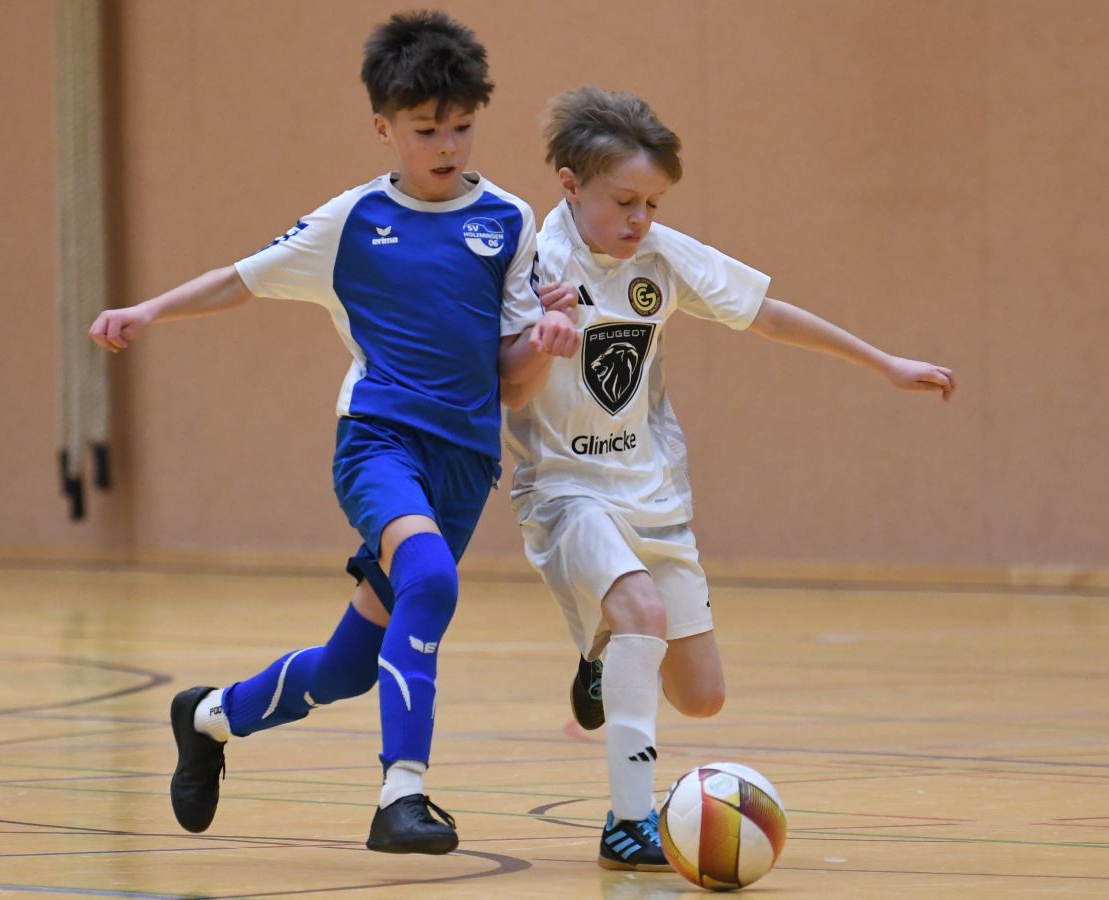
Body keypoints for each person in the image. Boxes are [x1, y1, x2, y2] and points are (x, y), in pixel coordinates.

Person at [88, 11, 579, 855]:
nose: (447, 145)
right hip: (379, 443)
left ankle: (206, 717)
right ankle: (402, 797)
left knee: (350, 667)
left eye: (461, 127)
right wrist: (150, 309)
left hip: (464, 463)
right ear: (384, 127)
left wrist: (543, 343)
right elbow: (239, 279)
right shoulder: (351, 221)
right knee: (429, 577)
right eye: (426, 130)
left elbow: (509, 377)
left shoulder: (507, 221)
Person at [502, 87, 956, 870]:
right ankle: (625, 823)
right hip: (566, 489)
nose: (641, 217)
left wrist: (883, 362)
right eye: (624, 200)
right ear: (571, 184)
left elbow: (768, 312)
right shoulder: (530, 262)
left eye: (653, 201)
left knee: (701, 696)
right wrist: (544, 339)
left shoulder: (661, 257)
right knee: (640, 608)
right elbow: (510, 390)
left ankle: (600, 657)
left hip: (654, 495)